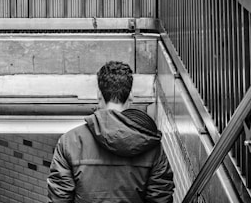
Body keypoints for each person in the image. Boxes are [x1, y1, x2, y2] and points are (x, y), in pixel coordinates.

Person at [47, 61, 175, 202]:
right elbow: (160, 198)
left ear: (99, 96)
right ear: (130, 97)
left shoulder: (70, 142)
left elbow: (59, 199)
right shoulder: (151, 144)